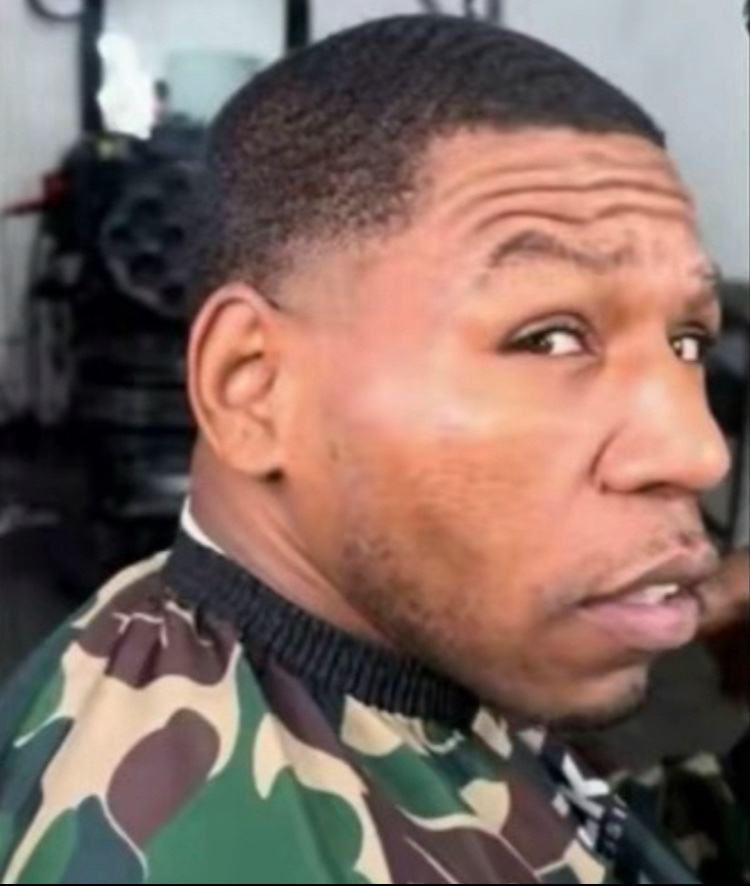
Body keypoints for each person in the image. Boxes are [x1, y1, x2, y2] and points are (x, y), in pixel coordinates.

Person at [0, 15, 746, 884]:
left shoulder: (392, 642)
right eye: (549, 338)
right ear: (254, 386)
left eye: (688, 341)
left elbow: (565, 833)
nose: (697, 453)